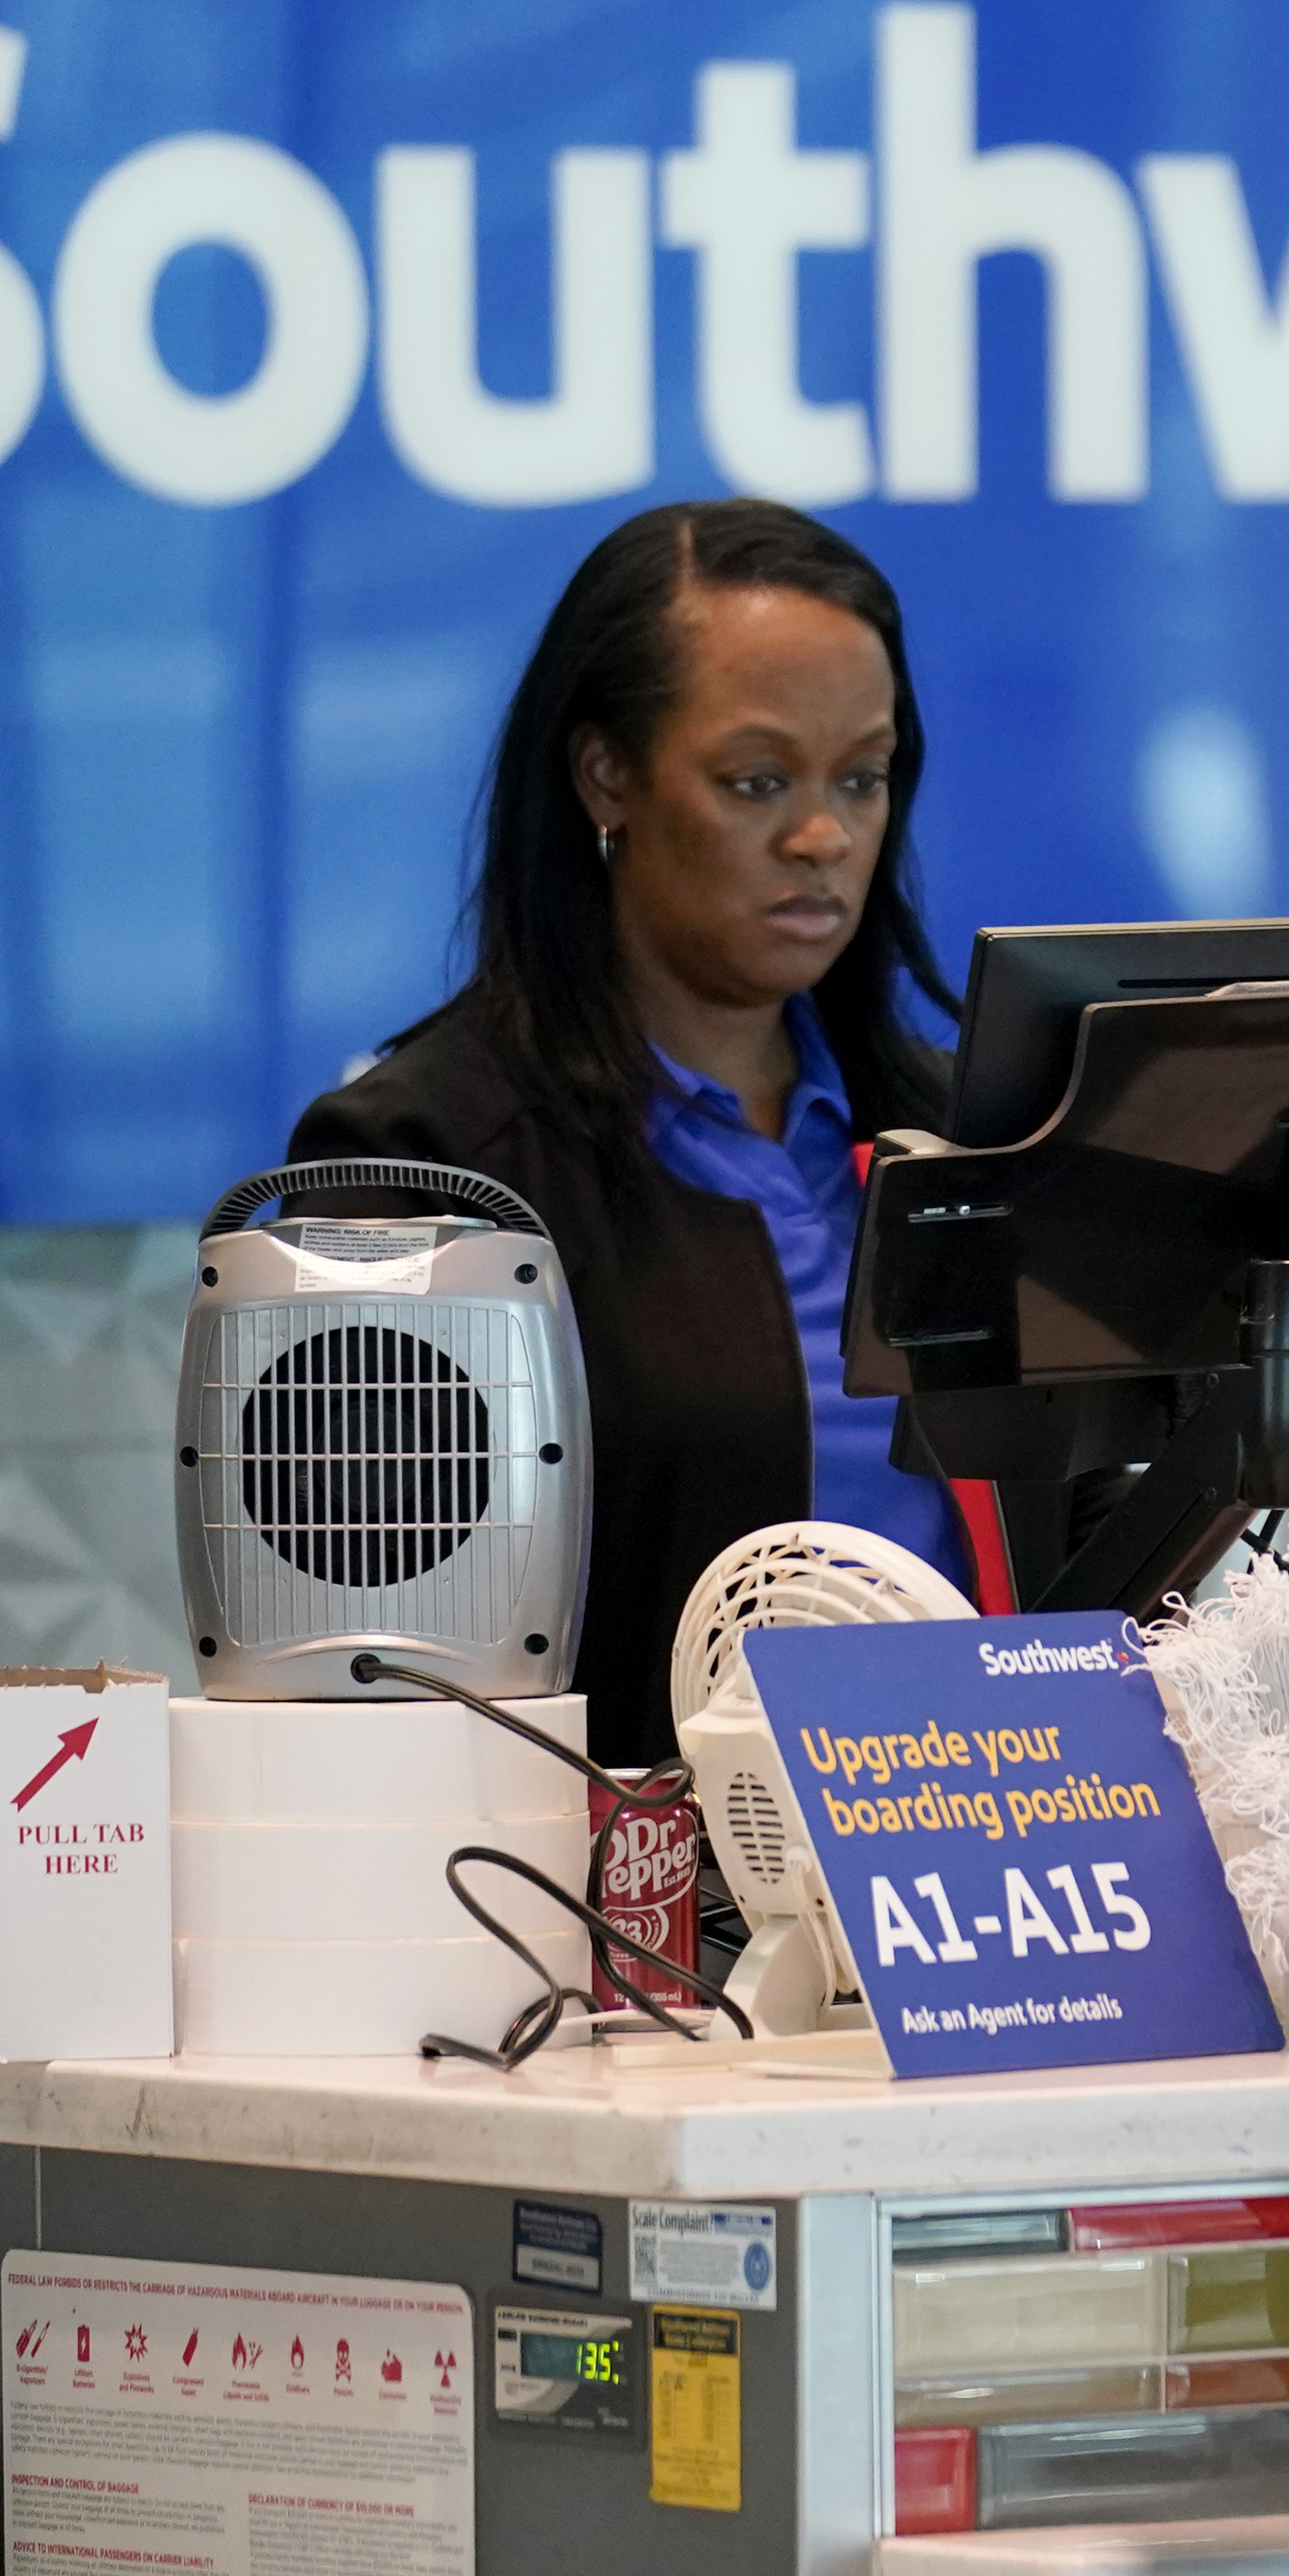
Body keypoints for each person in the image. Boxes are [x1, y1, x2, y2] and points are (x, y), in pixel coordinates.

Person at [288, 499, 976, 1766]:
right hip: (613, 1912)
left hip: (993, 1865)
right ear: (607, 774)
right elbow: (366, 1666)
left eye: (862, 779)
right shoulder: (428, 1163)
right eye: (757, 781)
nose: (823, 837)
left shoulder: (973, 1137)